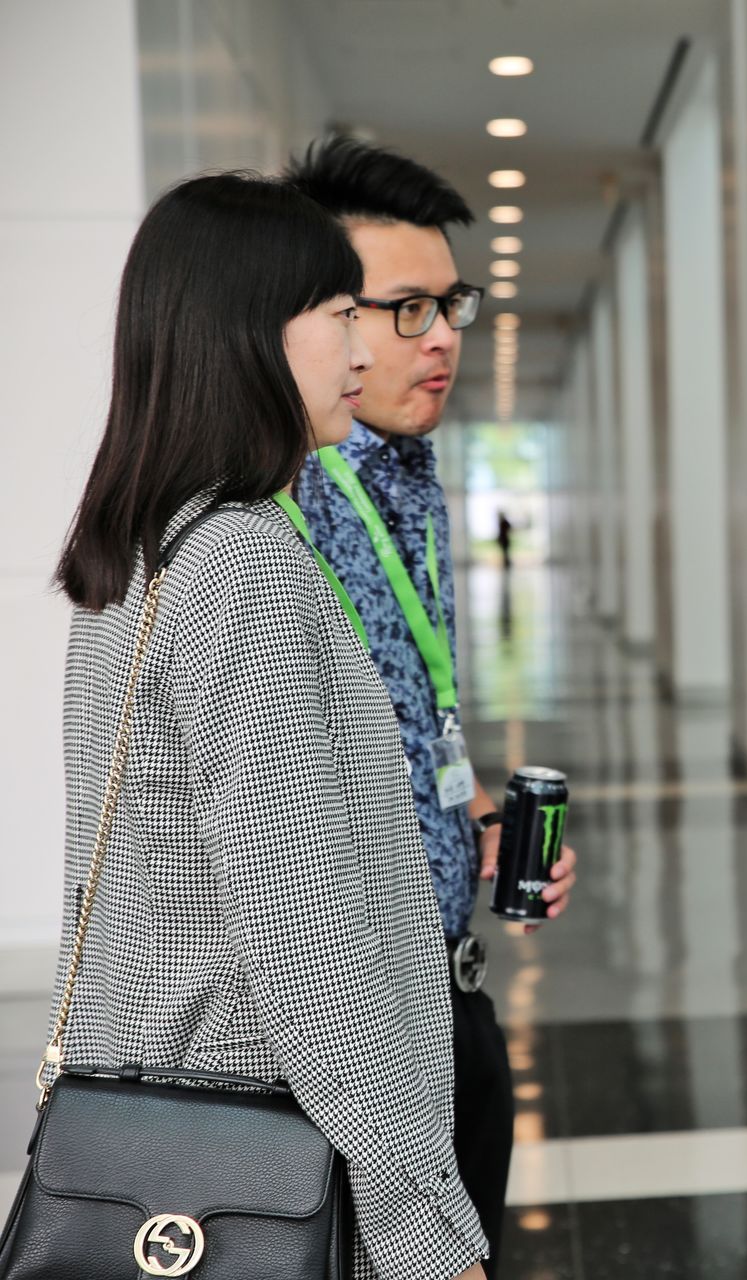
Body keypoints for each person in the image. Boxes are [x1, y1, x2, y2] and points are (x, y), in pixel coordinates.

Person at [52, 172, 488, 1280]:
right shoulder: (244, 563)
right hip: (263, 1141)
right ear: (250, 332)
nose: (362, 351)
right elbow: (307, 939)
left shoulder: (149, 545)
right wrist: (424, 1220)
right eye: (340, 316)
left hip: (160, 1121)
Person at [283, 136, 578, 1274]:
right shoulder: (283, 506)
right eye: (405, 308)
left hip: (450, 995)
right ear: (317, 312)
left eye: (450, 302)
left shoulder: (412, 474)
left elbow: (390, 743)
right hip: (358, 1039)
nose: (444, 334)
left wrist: (472, 828)